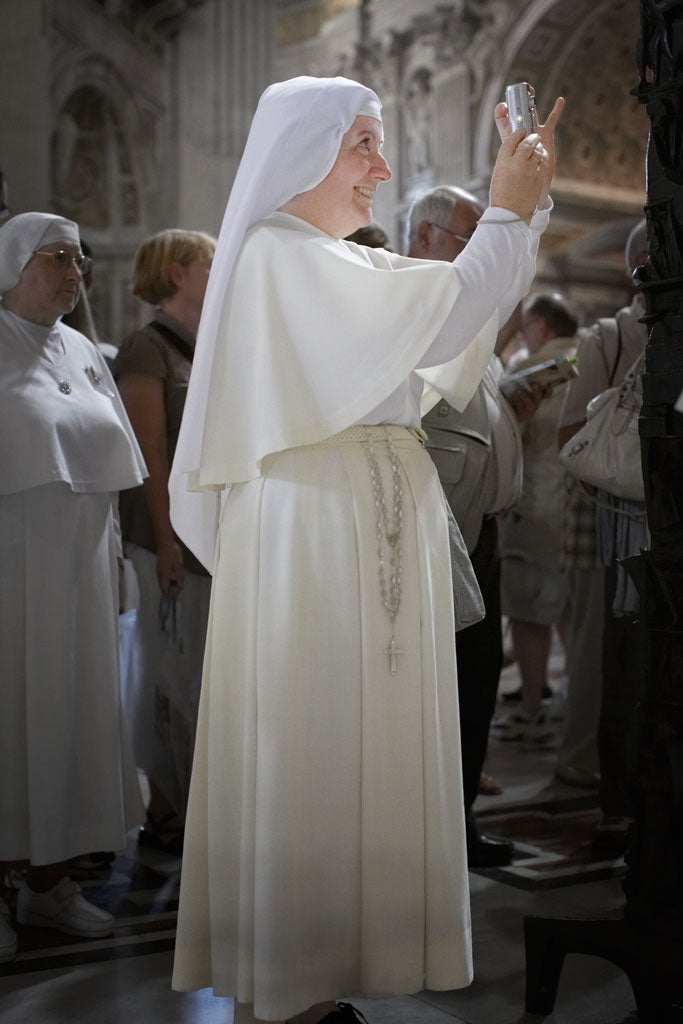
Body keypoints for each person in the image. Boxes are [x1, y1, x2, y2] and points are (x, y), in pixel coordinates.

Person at [169, 75, 563, 1022]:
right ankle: (286, 990)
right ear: (301, 152)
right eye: (362, 145)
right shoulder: (274, 253)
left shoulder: (334, 261)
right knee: (312, 746)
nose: (380, 170)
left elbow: (456, 310)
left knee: (355, 747)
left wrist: (525, 208)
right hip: (313, 535)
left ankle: (318, 982)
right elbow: (452, 300)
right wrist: (508, 213)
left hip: (354, 525)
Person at [0, 212, 147, 963]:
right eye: (56, 257)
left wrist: (119, 561)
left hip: (81, 570)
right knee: (13, 715)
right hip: (13, 573)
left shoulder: (84, 348)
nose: (74, 271)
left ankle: (48, 883)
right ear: (13, 264)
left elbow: (111, 470)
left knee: (68, 716)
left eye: (79, 260)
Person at [409, 185, 549, 867]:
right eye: (466, 236)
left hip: (479, 533)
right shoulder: (409, 308)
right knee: (435, 693)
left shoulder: (460, 313)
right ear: (423, 239)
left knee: (474, 687)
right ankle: (427, 833)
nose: (475, 253)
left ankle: (457, 823)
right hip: (435, 538)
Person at [113, 228, 216, 854]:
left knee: (199, 671)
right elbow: (148, 451)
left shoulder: (209, 343)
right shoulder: (146, 348)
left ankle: (193, 798)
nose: (217, 267)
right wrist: (170, 540)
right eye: (207, 261)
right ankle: (165, 809)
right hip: (164, 536)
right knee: (166, 669)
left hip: (208, 531)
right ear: (177, 273)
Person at [556, 219, 648, 846]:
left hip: (634, 527)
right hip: (618, 527)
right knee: (613, 655)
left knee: (630, 660)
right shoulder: (606, 338)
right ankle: (612, 786)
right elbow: (573, 439)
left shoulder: (606, 337)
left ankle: (630, 797)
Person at [492, 292, 579, 745]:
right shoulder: (588, 353)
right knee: (567, 609)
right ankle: (574, 699)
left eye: (525, 326)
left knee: (528, 612)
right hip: (577, 503)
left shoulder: (531, 366)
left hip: (535, 504)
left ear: (540, 327)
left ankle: (531, 707)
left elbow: (509, 432)